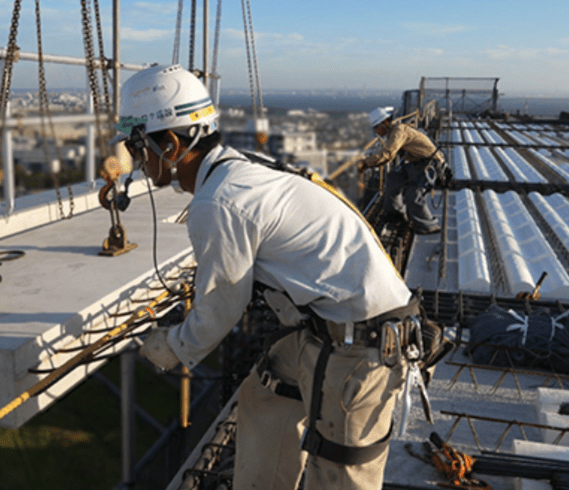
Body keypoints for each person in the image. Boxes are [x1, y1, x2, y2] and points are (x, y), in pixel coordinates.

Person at [115, 64, 416, 490]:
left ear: (170, 143)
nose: (138, 161)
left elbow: (221, 307)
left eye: (138, 145)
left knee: (338, 471)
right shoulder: (238, 170)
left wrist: (172, 347)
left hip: (362, 345)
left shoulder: (218, 201)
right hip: (334, 323)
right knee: (266, 395)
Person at [357, 106, 447, 234]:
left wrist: (365, 163)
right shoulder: (394, 131)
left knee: (413, 194)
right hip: (417, 162)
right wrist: (368, 163)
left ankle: (428, 225)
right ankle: (394, 214)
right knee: (394, 177)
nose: (377, 132)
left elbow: (387, 154)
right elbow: (388, 156)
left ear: (385, 123)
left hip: (430, 164)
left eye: (377, 127)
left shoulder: (398, 131)